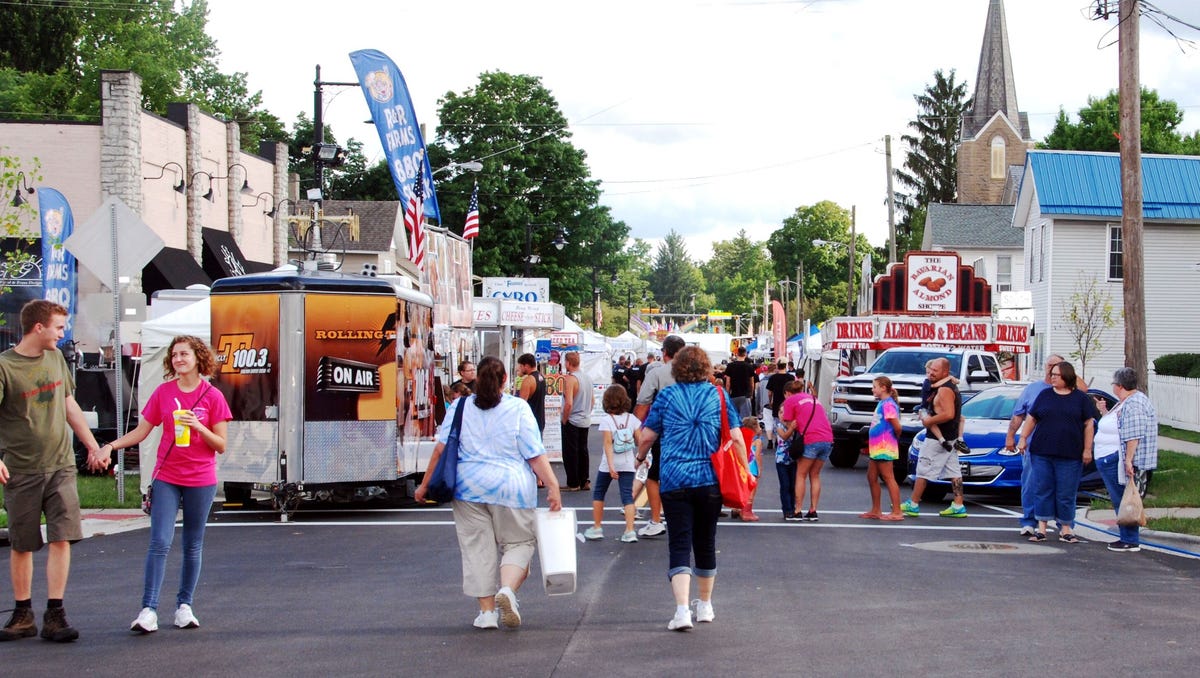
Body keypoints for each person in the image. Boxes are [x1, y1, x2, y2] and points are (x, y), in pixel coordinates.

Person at [414, 356, 562, 629]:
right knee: (519, 543)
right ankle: (506, 590)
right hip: (511, 488)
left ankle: (487, 614)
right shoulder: (518, 408)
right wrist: (552, 486)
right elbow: (534, 455)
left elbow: (440, 449)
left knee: (477, 551)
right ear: (505, 380)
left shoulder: (460, 406)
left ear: (477, 379)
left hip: (468, 489)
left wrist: (424, 485)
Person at [99, 336, 232, 633]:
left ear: (198, 358)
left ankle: (184, 606)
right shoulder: (163, 393)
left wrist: (199, 426)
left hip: (201, 478)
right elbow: (141, 431)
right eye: (174, 355)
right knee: (160, 541)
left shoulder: (212, 396)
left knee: (192, 544)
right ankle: (148, 609)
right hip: (167, 476)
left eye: (184, 354)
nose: (178, 359)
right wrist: (111, 446)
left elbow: (221, 444)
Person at [0, 300, 106, 643]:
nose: (63, 334)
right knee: (23, 543)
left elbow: (68, 404)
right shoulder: (5, 367)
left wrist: (92, 446)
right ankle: (22, 614)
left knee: (62, 538)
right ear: (38, 327)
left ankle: (55, 614)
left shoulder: (57, 359)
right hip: (22, 468)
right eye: (59, 328)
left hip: (60, 465)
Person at [634, 346, 747, 631]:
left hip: (673, 479)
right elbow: (736, 437)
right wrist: (745, 471)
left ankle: (682, 611)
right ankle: (705, 606)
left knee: (680, 543)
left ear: (677, 368)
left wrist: (639, 457)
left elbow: (648, 436)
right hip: (710, 481)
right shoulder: (718, 395)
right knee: (706, 541)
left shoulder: (667, 396)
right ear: (706, 367)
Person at [1018, 361, 1096, 543]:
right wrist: (1023, 438)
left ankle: (1066, 528)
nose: (1052, 377)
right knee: (1042, 489)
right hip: (1042, 452)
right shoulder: (1045, 395)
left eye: (1056, 375)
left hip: (1070, 454)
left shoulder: (1080, 399)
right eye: (1051, 374)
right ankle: (1042, 528)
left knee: (1066, 491)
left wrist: (1087, 449)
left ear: (1067, 377)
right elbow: (1031, 419)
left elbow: (1088, 425)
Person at [1095, 367, 1158, 552]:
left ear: (1120, 385)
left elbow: (1134, 435)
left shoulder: (1135, 404)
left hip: (1119, 460)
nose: (1113, 387)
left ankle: (1130, 539)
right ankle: (1127, 537)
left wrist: (1128, 460)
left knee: (1123, 500)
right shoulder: (1126, 402)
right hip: (1111, 458)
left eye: (1113, 384)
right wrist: (1104, 412)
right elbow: (1118, 426)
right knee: (1120, 499)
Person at [1004, 355, 1064, 536]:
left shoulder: (1070, 391)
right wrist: (1010, 437)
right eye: (1049, 365)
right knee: (1030, 484)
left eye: (1056, 366)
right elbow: (1019, 415)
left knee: (1061, 486)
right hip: (1034, 447)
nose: (1051, 369)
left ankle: (1063, 524)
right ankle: (1029, 521)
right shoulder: (1034, 389)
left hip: (1062, 447)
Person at [634, 335, 687, 538]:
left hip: (664, 431)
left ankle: (656, 519)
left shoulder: (658, 373)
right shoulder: (695, 372)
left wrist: (635, 433)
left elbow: (643, 404)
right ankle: (685, 518)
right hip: (694, 432)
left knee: (654, 475)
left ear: (664, 352)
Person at [901, 358, 967, 518]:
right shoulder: (950, 386)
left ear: (945, 372)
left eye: (935, 371)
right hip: (950, 436)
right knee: (954, 472)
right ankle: (958, 505)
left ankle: (914, 503)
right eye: (930, 370)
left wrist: (929, 420)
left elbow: (949, 414)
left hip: (937, 438)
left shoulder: (944, 390)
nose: (931, 373)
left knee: (923, 468)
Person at [584, 385, 642, 543]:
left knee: (599, 493)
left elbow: (608, 444)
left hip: (609, 464)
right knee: (627, 497)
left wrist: (610, 466)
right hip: (628, 462)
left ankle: (597, 527)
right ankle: (630, 531)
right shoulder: (632, 419)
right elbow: (640, 441)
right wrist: (642, 458)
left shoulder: (607, 421)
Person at [779, 379, 834, 521]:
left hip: (811, 438)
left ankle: (797, 510)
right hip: (827, 438)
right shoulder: (813, 399)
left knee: (801, 474)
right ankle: (813, 510)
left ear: (787, 393)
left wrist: (783, 422)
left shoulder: (790, 401)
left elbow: (790, 423)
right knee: (815, 475)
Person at [861, 376, 904, 521]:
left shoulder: (888, 404)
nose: (873, 389)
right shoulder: (882, 403)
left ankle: (897, 511)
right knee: (871, 476)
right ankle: (876, 509)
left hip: (884, 445)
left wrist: (894, 436)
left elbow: (896, 425)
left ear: (883, 388)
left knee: (888, 477)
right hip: (876, 446)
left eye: (874, 387)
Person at [560, 351, 594, 492]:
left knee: (570, 452)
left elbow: (568, 403)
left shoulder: (570, 379)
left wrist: (564, 418)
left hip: (573, 419)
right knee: (583, 450)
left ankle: (573, 482)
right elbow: (592, 400)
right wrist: (586, 412)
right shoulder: (587, 378)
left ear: (568, 363)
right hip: (585, 419)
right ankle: (584, 479)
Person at [737, 416, 763, 522]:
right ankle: (747, 512)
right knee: (751, 491)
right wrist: (760, 468)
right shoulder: (757, 441)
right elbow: (757, 456)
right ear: (755, 428)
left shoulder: (742, 439)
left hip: (743, 467)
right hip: (752, 467)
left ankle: (739, 508)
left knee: (743, 489)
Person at [515, 353, 546, 436]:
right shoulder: (542, 377)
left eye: (521, 366)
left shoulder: (528, 381)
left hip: (530, 425)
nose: (519, 369)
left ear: (526, 366)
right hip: (540, 422)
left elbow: (521, 406)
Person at [722, 347, 756, 419]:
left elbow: (728, 383)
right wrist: (751, 393)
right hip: (745, 396)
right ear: (745, 354)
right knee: (746, 419)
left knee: (733, 419)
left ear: (737, 354)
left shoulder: (730, 366)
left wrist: (727, 395)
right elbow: (752, 383)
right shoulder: (749, 366)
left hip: (734, 395)